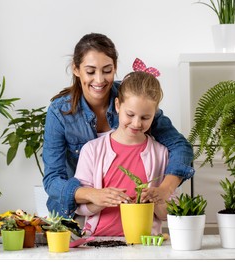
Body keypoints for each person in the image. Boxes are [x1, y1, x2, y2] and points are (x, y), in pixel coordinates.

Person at [42, 33, 194, 218]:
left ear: (115, 68)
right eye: (90, 71)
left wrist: (164, 189)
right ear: (76, 69)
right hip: (76, 216)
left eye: (107, 70)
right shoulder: (60, 112)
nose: (99, 80)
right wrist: (93, 194)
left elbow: (180, 147)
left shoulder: (133, 96)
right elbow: (52, 180)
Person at [74, 68, 179, 236]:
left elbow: (167, 215)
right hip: (97, 242)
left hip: (146, 244)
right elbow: (79, 208)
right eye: (130, 114)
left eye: (145, 118)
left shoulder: (161, 154)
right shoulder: (92, 150)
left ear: (155, 114)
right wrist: (99, 200)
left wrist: (157, 200)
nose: (136, 123)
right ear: (117, 106)